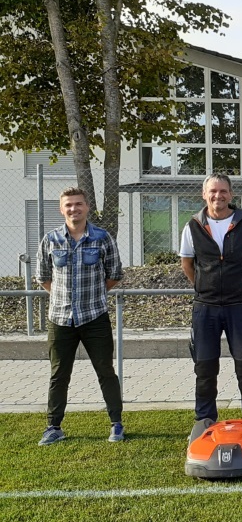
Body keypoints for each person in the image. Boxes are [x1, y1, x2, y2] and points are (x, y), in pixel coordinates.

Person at [35, 187, 125, 445]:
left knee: (106, 371)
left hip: (95, 317)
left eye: (78, 204)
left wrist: (93, 296)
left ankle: (116, 424)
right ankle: (53, 427)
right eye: (69, 205)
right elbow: (43, 277)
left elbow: (114, 273)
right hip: (60, 319)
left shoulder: (102, 238)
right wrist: (63, 298)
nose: (73, 209)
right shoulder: (51, 240)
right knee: (59, 374)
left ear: (87, 207)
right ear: (61, 209)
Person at [180, 173, 242, 423]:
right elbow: (187, 263)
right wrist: (203, 286)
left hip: (240, 305)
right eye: (213, 191)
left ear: (231, 194)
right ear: (204, 195)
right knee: (205, 367)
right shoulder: (193, 225)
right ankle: (205, 419)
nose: (218, 196)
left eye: (223, 191)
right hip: (205, 308)